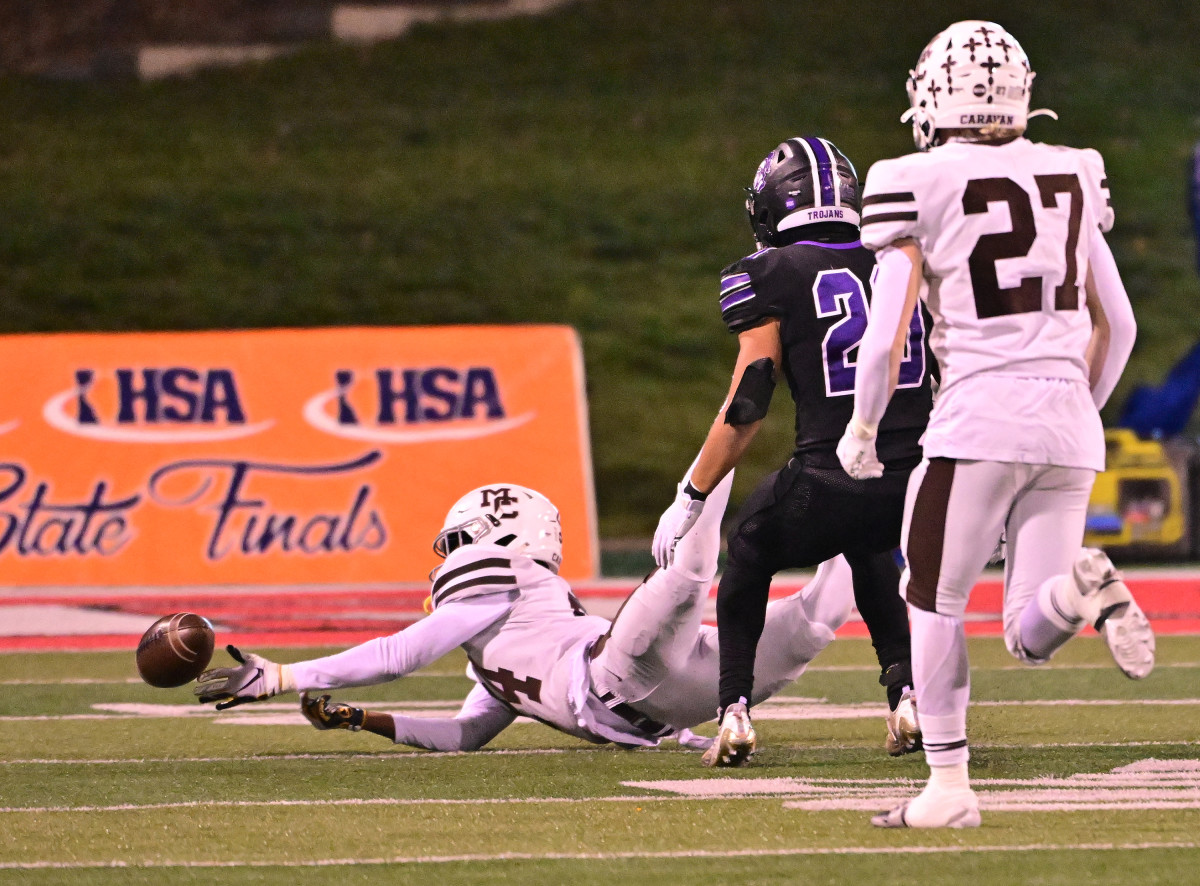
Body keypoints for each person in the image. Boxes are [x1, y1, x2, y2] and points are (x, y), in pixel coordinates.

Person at [837, 20, 1154, 829]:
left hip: (977, 415)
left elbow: (885, 333)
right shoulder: (1074, 172)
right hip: (1066, 419)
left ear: (932, 93)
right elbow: (1116, 324)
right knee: (1027, 629)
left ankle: (948, 789)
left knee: (931, 599)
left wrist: (863, 428)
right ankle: (1081, 586)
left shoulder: (913, 177)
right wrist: (1079, 403)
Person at [194, 472, 855, 752]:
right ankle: (892, 502)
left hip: (622, 676)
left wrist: (284, 677)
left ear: (502, 537)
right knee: (817, 614)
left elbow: (406, 652)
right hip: (681, 702)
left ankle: (727, 441)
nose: (448, 558)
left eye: (458, 541)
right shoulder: (502, 649)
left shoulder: (497, 575)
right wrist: (361, 720)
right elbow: (465, 737)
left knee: (688, 575)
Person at [652, 136, 935, 767]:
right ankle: (907, 692)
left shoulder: (768, 274)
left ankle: (734, 712)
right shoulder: (906, 256)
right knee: (867, 544)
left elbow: (750, 402)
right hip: (919, 481)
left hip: (833, 474)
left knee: (750, 548)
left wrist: (691, 493)